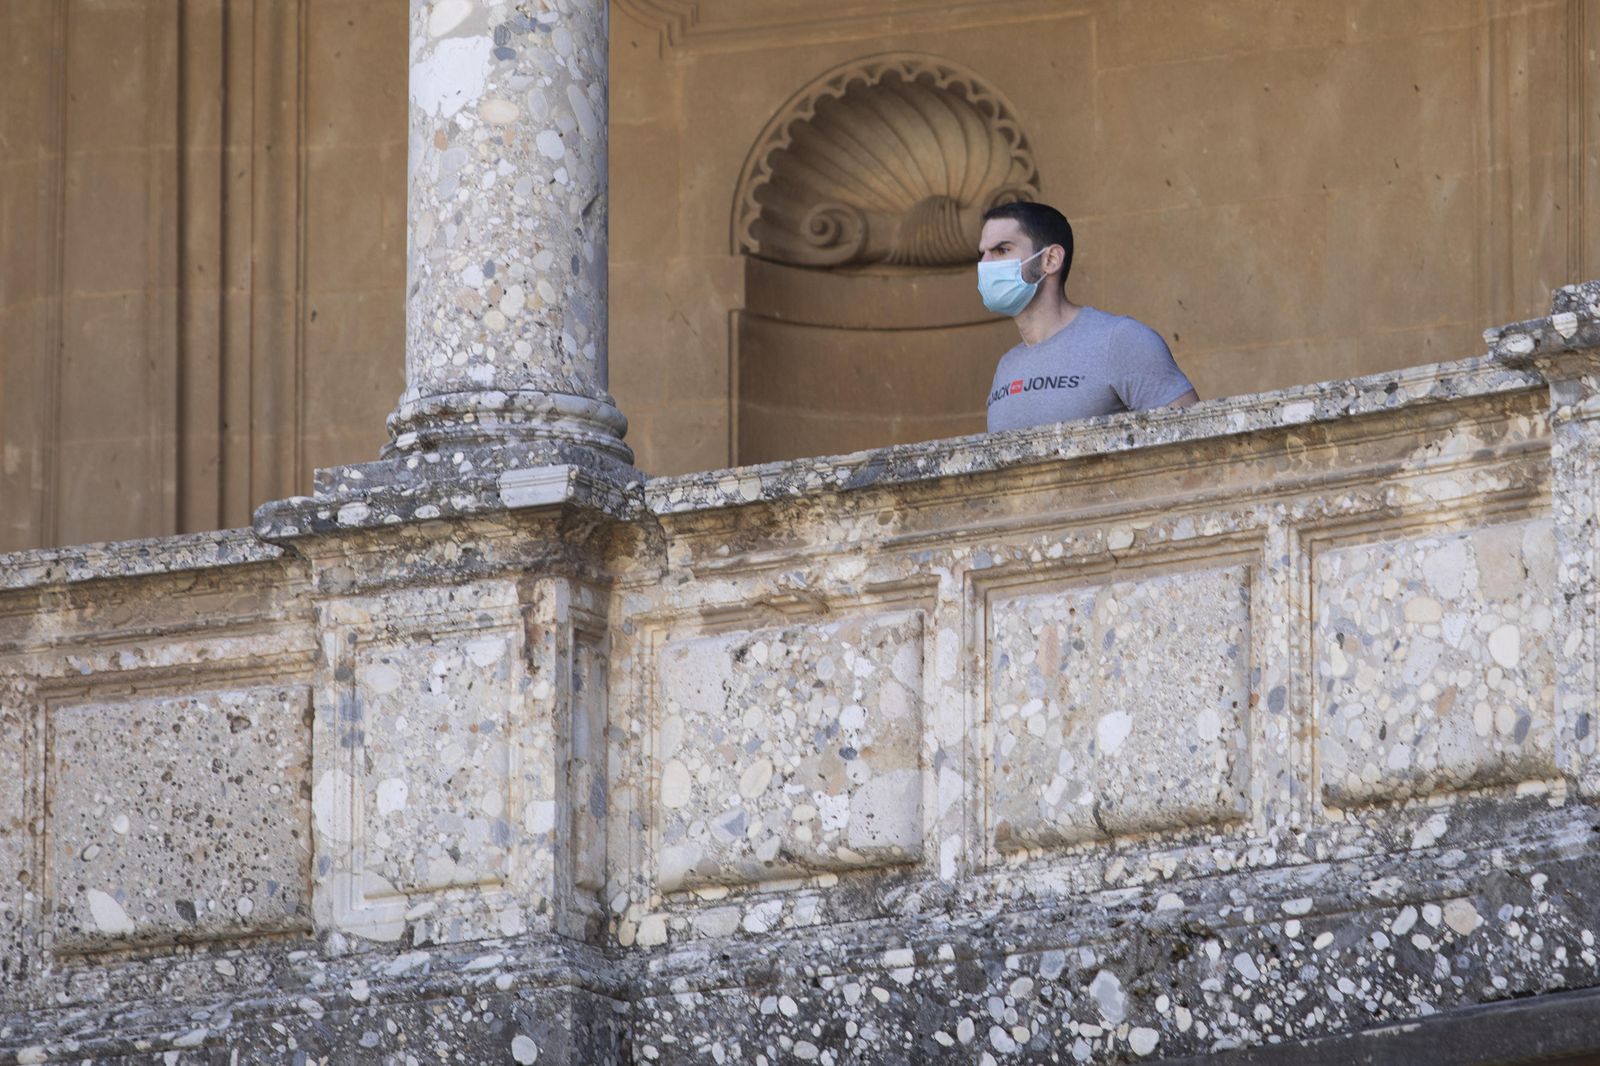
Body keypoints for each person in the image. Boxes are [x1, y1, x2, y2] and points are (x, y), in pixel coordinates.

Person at [978, 201, 1197, 433]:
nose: (984, 265)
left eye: (1001, 250)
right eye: (981, 254)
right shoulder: (1007, 367)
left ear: (1050, 260)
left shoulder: (1121, 340)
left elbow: (1193, 441)